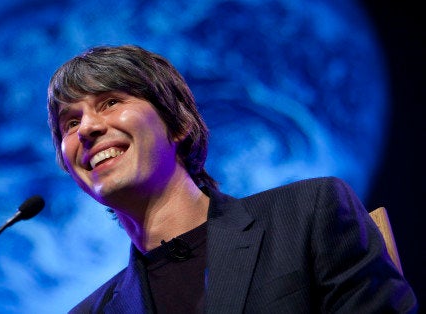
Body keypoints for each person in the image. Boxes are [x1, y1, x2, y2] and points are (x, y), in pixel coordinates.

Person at [46, 44, 417, 313]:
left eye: (110, 102)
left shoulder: (308, 215)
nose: (88, 129)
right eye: (71, 122)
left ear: (178, 124)